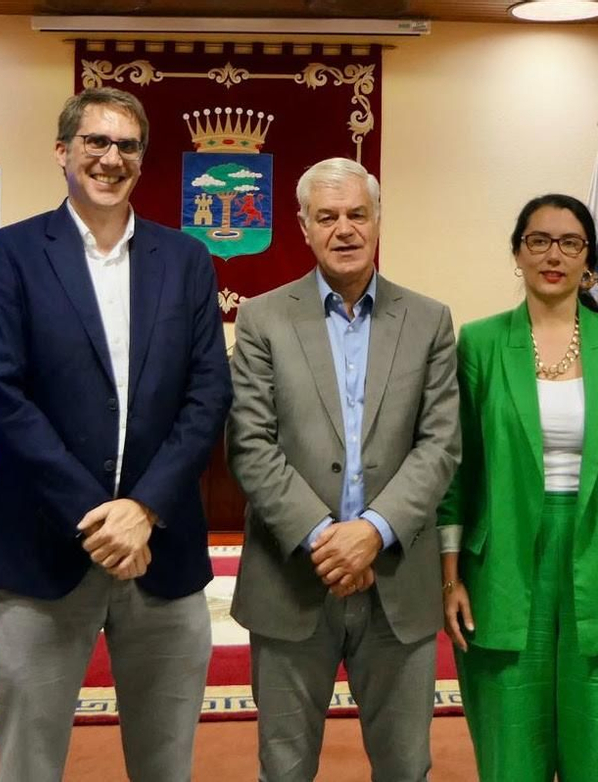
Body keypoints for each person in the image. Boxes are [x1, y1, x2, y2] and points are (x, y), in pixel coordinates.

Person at [0, 86, 231, 782]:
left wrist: (143, 510)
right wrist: (99, 518)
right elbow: (1, 396)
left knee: (166, 763)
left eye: (127, 146)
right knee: (29, 763)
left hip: (161, 552)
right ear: (63, 151)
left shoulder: (186, 259)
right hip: (42, 549)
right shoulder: (12, 253)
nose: (112, 158)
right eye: (97, 142)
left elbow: (208, 396)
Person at [226, 156, 461, 782]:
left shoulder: (429, 320)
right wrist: (325, 538)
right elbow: (249, 444)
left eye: (358, 213)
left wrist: (373, 531)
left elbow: (440, 445)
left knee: (406, 768)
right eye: (327, 216)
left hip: (396, 581)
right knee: (284, 768)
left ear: (378, 219)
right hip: (291, 579)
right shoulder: (262, 318)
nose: (345, 228)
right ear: (303, 227)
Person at [437, 193, 598, 781]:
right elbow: (457, 470)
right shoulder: (480, 342)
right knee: (511, 748)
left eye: (570, 243)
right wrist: (450, 577)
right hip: (502, 566)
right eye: (538, 241)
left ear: (589, 260)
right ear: (517, 253)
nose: (553, 255)